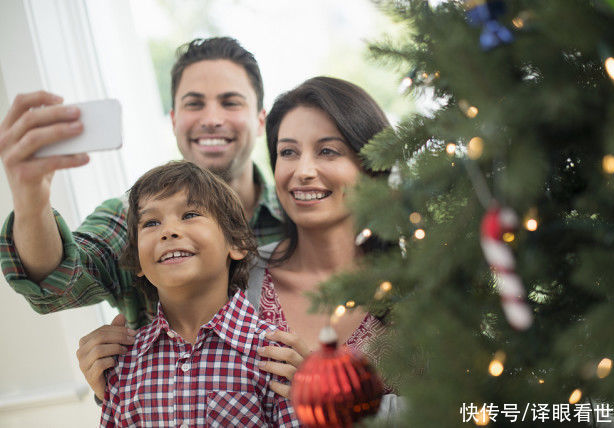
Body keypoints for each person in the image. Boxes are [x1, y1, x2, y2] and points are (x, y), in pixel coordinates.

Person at [0, 38, 282, 399]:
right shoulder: (129, 217)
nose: (212, 119)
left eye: (231, 102)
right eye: (195, 103)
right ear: (175, 120)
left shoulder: (296, 215)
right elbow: (58, 281)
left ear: (260, 120)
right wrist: (30, 199)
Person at [100, 160, 296, 427]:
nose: (168, 231)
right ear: (137, 262)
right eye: (151, 222)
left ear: (236, 242)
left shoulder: (275, 357)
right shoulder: (123, 364)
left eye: (190, 215)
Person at [247, 76, 394, 401]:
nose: (303, 170)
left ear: (372, 168)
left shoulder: (418, 290)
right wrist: (114, 379)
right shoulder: (240, 279)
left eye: (327, 151)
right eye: (288, 152)